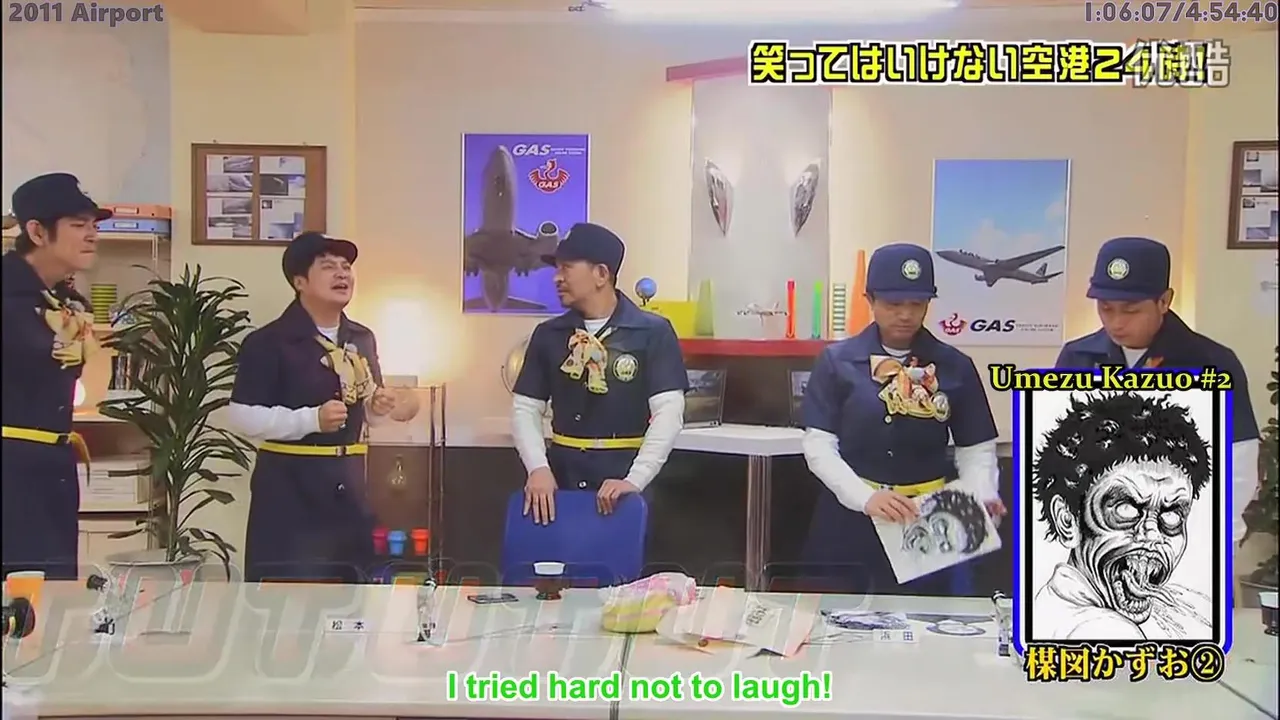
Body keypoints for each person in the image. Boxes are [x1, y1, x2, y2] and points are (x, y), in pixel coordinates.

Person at [799, 244, 1004, 596]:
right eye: (894, 304)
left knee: (928, 618)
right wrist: (865, 497)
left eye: (917, 304)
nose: (906, 315)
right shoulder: (836, 362)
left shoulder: (955, 365)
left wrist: (981, 493)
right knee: (839, 619)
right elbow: (819, 446)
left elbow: (976, 449)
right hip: (851, 520)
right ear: (870, 300)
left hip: (927, 521)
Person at [1055, 236, 1259, 546]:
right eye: (1106, 308)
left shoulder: (1212, 362)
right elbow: (1063, 448)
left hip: (1185, 529)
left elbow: (1237, 456)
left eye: (1131, 310)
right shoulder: (1077, 357)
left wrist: (1217, 535)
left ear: (1164, 301)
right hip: (1098, 530)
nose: (1116, 323)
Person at [228, 232, 397, 583]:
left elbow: (365, 407)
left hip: (350, 487)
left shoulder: (361, 338)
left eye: (346, 266)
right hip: (290, 492)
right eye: (328, 266)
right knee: (289, 596)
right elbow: (242, 415)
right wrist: (310, 420)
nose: (342, 273)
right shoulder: (268, 341)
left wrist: (378, 407)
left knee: (352, 591)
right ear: (299, 282)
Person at [510, 223, 688, 524]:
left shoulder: (652, 332)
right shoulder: (549, 335)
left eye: (566, 268)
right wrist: (538, 468)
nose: (557, 277)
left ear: (601, 274)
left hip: (624, 488)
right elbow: (525, 407)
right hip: (559, 486)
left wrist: (635, 480)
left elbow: (669, 413)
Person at [1031, 392, 1213, 641]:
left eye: (1171, 516)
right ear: (1067, 520)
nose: (1153, 535)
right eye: (1125, 509)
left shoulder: (1053, 602)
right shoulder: (1104, 630)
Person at [2, 173, 111, 580]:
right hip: (11, 469)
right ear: (36, 231)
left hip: (54, 464)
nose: (92, 235)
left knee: (53, 588)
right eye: (78, 225)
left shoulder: (63, 301)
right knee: (18, 592)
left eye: (94, 225)